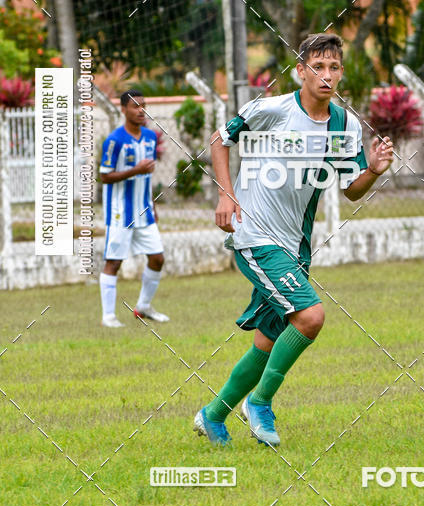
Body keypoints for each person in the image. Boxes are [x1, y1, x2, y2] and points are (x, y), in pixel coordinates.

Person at [193, 33, 394, 447]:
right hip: (254, 236)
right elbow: (219, 140)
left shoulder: (345, 124)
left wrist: (372, 170)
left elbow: (350, 188)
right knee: (311, 316)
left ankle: (212, 416)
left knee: (267, 343)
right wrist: (226, 195)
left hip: (294, 246)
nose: (326, 75)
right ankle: (260, 402)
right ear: (300, 71)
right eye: (317, 67)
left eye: (334, 67)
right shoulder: (272, 110)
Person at [98, 90, 168, 328]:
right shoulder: (114, 140)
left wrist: (153, 205)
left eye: (144, 105)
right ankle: (108, 316)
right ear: (124, 110)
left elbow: (147, 178)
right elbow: (104, 177)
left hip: (144, 211)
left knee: (157, 259)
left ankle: (144, 306)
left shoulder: (149, 137)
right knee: (114, 262)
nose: (141, 111)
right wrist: (134, 170)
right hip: (120, 213)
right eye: (136, 106)